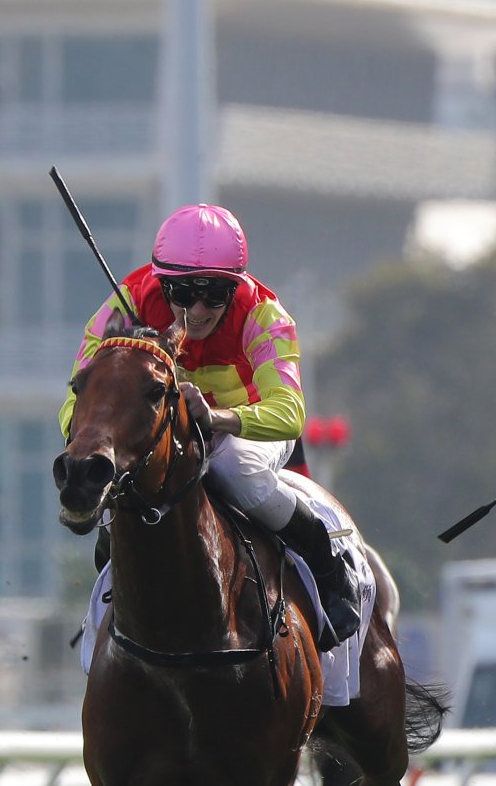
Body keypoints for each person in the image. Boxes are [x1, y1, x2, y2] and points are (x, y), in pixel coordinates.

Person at [59, 203, 360, 651]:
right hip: (173, 433)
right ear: (161, 283)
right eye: (181, 293)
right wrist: (90, 442)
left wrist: (217, 418)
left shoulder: (264, 316)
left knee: (234, 469)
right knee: (129, 482)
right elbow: (78, 394)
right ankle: (108, 598)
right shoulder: (129, 302)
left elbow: (290, 413)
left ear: (234, 288)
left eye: (213, 294)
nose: (196, 310)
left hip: (248, 430)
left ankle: (324, 558)